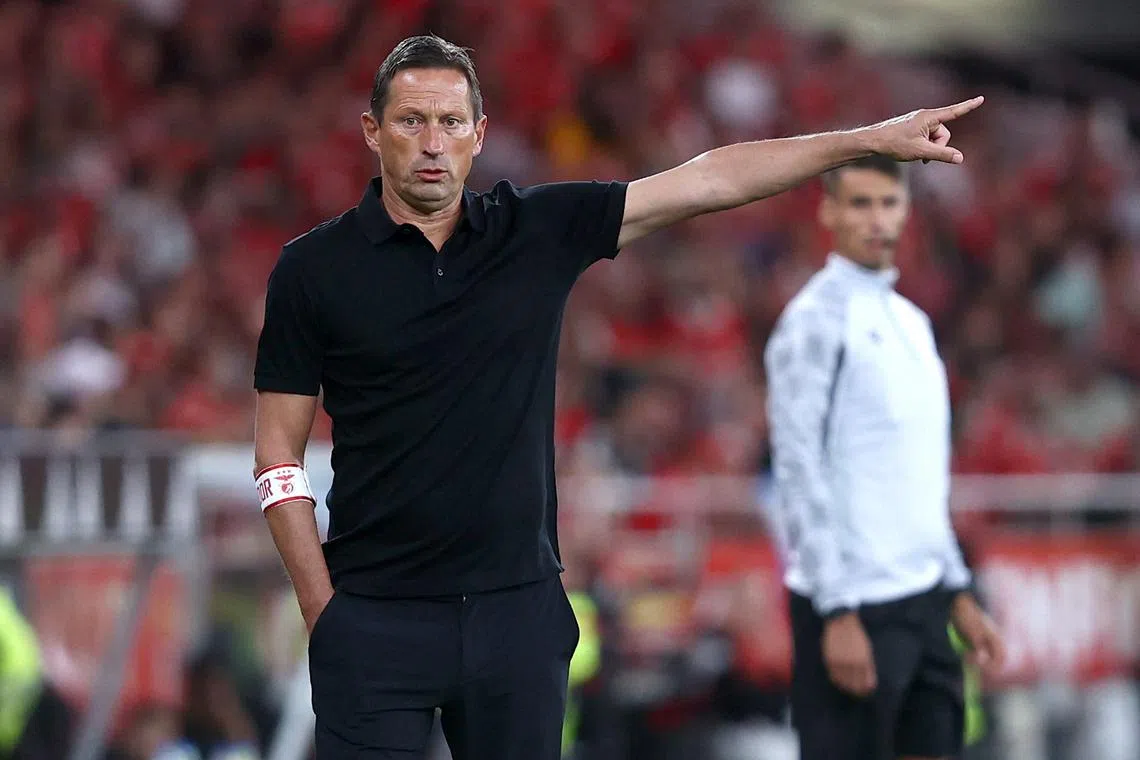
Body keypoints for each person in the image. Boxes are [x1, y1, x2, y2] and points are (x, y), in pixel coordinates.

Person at [252, 33, 986, 759]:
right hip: (375, 616)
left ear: (480, 135)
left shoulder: (533, 230)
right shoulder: (313, 271)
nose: (432, 142)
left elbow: (710, 179)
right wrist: (325, 612)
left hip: (517, 614)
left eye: (450, 122)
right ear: (372, 132)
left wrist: (861, 140)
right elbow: (277, 457)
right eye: (411, 121)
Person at [762, 155, 1007, 760]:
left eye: (888, 203)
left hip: (925, 600)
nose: (876, 219)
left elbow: (920, 480)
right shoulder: (812, 324)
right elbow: (796, 470)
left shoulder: (914, 325)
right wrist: (836, 611)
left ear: (907, 212)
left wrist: (956, 589)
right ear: (828, 211)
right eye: (859, 203)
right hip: (855, 606)